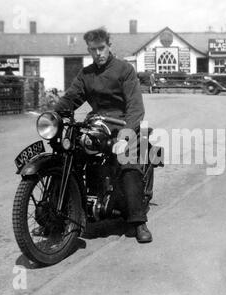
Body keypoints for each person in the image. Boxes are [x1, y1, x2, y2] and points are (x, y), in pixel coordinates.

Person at [53, 27, 152, 243]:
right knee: (70, 153)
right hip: (96, 123)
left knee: (128, 161)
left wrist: (125, 136)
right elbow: (71, 98)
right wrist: (54, 112)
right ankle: (60, 211)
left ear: (109, 46)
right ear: (88, 50)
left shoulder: (124, 70)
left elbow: (136, 108)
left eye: (101, 48)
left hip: (122, 123)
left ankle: (138, 221)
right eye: (93, 50)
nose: (98, 53)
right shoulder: (86, 74)